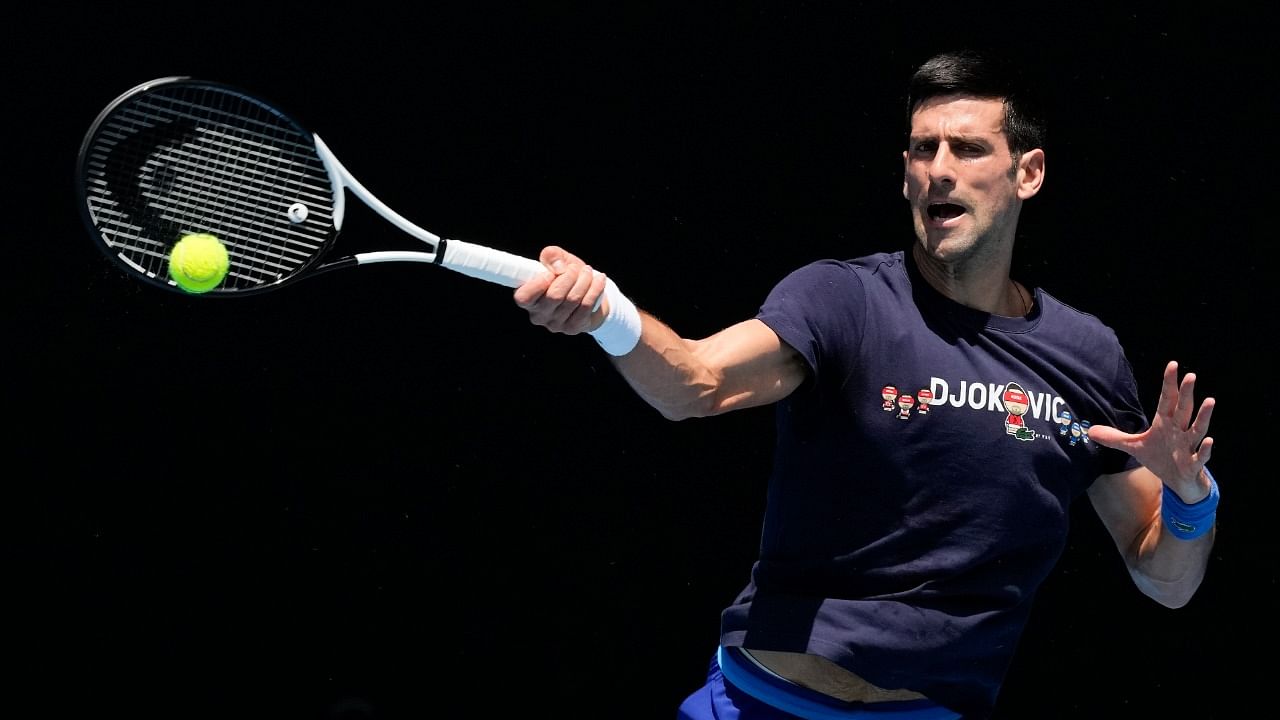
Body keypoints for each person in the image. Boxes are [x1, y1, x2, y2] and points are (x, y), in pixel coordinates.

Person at [512, 49, 1219, 720]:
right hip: (764, 703)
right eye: (922, 148)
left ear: (1027, 173)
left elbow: (1166, 579)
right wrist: (607, 311)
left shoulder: (1085, 355)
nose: (938, 170)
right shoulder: (842, 301)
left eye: (968, 149)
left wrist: (1191, 498)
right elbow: (697, 383)